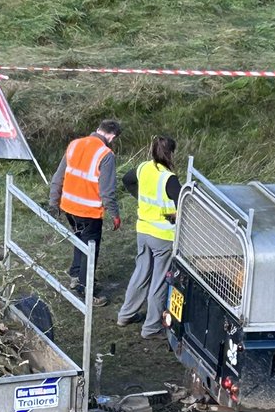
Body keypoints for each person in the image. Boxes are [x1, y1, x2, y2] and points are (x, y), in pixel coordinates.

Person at [48, 119, 123, 308]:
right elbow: (107, 190)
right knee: (91, 249)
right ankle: (85, 290)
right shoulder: (106, 154)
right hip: (89, 211)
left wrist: (53, 202)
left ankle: (75, 274)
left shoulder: (74, 145)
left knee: (78, 238)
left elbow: (58, 177)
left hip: (68, 206)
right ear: (112, 136)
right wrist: (114, 213)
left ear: (98, 129)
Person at [118, 135, 182, 340]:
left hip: (143, 231)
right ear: (171, 153)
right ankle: (151, 327)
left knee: (141, 272)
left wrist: (140, 198)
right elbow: (183, 204)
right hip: (162, 236)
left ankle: (125, 315)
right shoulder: (169, 178)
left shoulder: (143, 167)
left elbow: (127, 180)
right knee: (160, 281)